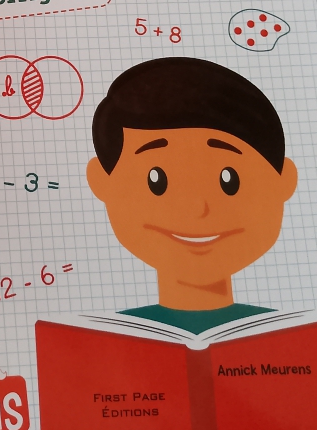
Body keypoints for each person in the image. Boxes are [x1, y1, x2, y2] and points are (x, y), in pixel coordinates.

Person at [86, 57, 297, 334]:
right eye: (157, 181)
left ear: (284, 181)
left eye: (229, 180)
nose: (198, 208)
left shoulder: (291, 332)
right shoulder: (109, 334)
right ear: (101, 182)